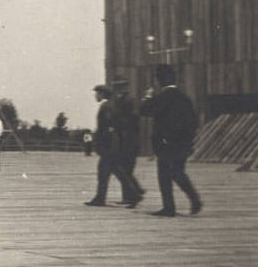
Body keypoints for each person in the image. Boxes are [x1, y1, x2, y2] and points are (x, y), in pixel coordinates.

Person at [139, 64, 202, 217]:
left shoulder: (163, 97)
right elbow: (193, 122)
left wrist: (148, 96)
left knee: (165, 175)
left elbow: (145, 111)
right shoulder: (184, 97)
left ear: (160, 80)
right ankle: (194, 199)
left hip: (166, 143)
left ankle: (169, 207)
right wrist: (187, 140)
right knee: (178, 172)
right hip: (182, 144)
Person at [84, 85, 142, 208]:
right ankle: (133, 194)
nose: (95, 96)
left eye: (97, 93)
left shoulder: (106, 106)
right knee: (112, 171)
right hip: (111, 144)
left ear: (102, 94)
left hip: (108, 144)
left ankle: (133, 194)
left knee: (108, 172)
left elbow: (107, 125)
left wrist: (102, 141)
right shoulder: (111, 105)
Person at [110, 76, 145, 204]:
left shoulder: (131, 100)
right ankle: (133, 192)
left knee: (126, 169)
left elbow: (134, 117)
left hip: (130, 139)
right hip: (122, 139)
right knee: (124, 168)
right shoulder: (118, 100)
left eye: (119, 86)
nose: (117, 88)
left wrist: (118, 123)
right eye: (116, 86)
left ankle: (132, 194)